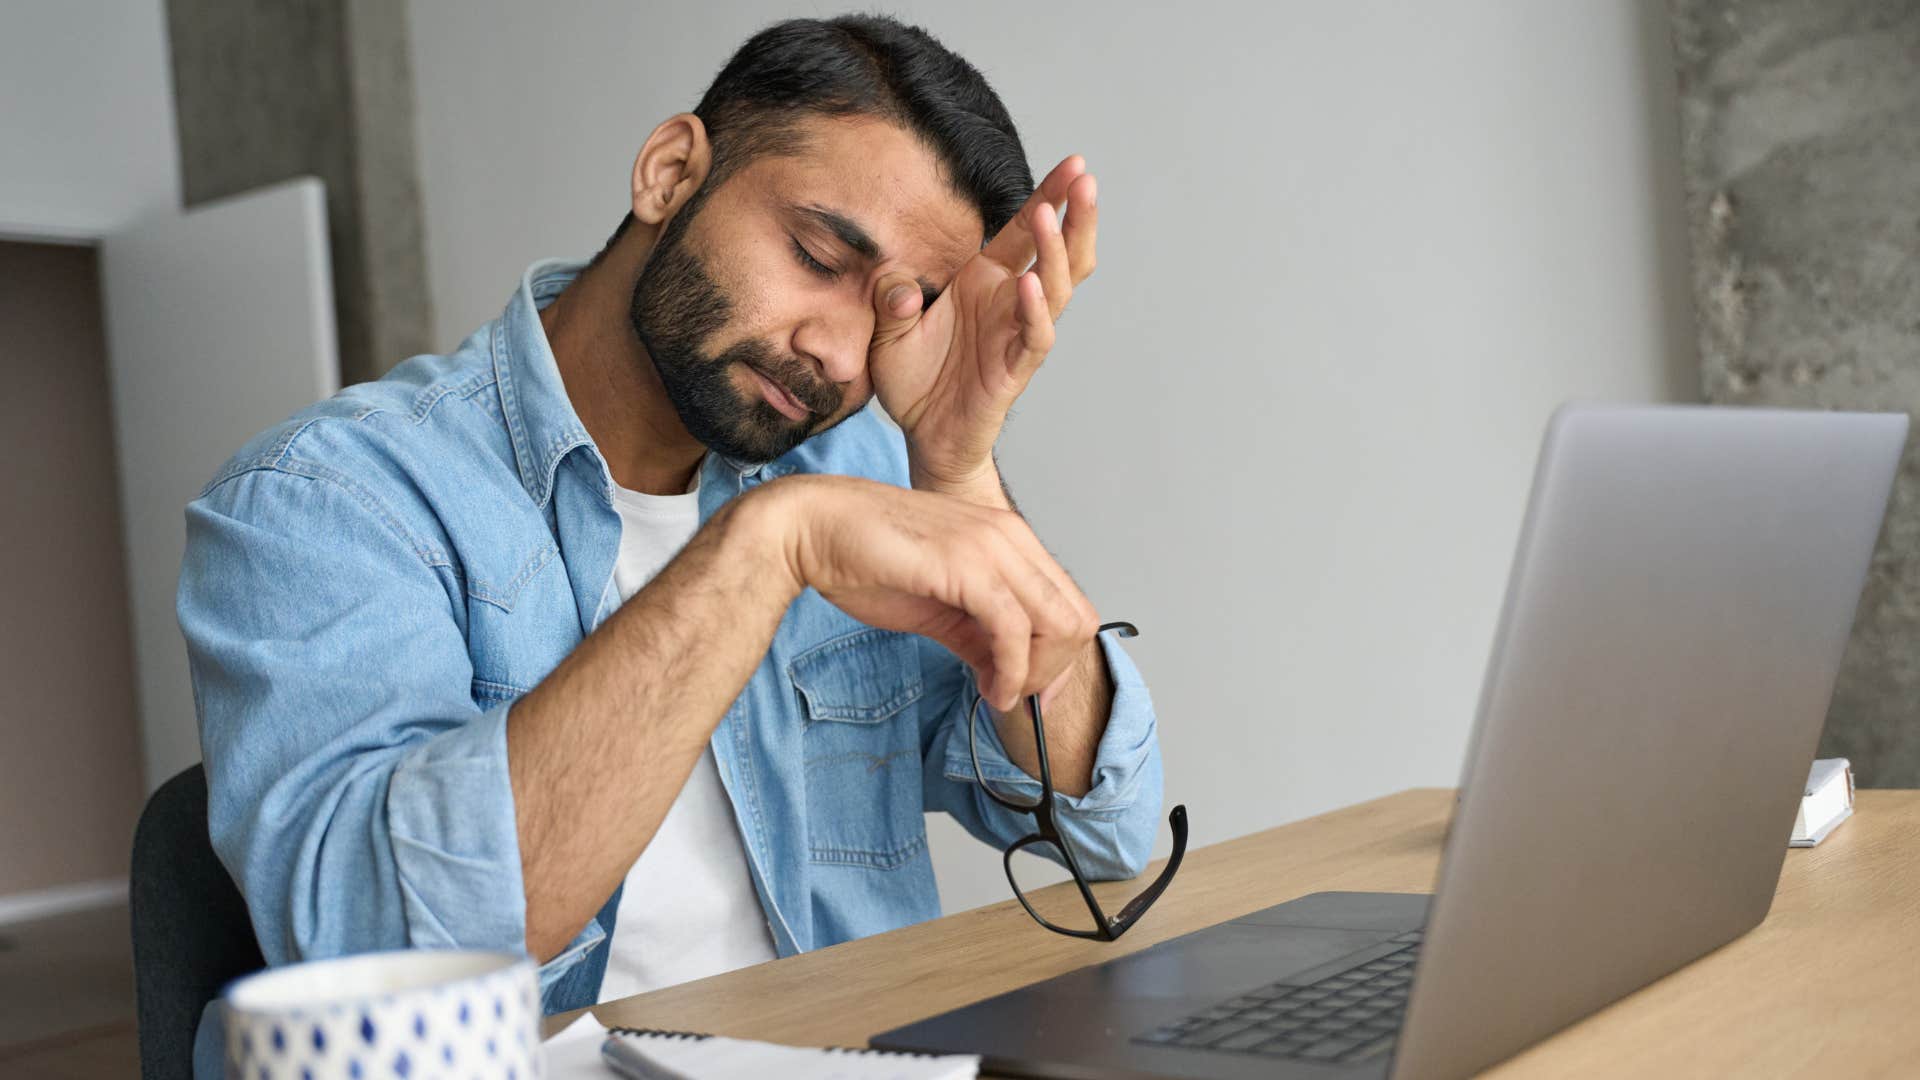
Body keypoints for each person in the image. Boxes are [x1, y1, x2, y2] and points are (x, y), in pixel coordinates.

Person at [176, 13, 1163, 1074]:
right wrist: (762, 548)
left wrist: (961, 471)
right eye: (820, 256)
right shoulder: (329, 501)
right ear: (669, 171)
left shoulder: (860, 474)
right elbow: (382, 953)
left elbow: (1097, 829)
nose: (836, 352)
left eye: (894, 312)